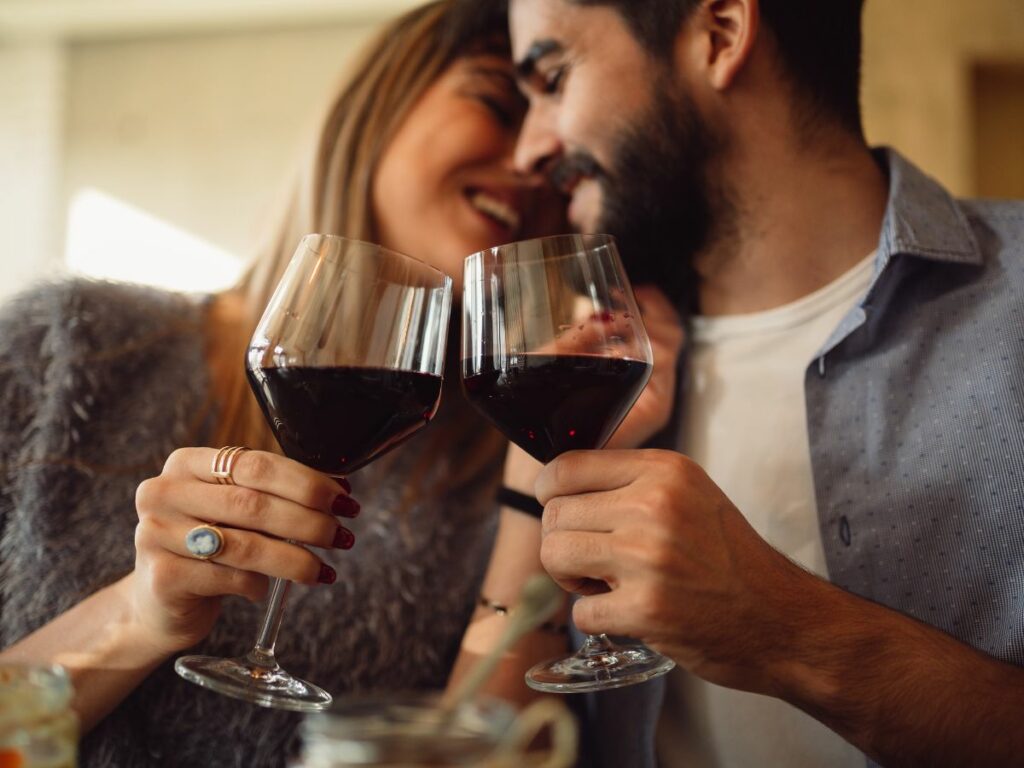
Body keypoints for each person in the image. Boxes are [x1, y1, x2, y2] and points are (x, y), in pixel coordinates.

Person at [0, 2, 642, 765]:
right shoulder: (69, 346)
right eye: (499, 104)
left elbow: (499, 751)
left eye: (562, 158)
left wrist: (528, 502)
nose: (536, 155)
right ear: (381, 102)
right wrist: (140, 615)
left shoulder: (497, 442)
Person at [454, 0, 1024, 766]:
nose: (527, 150)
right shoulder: (595, 380)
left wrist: (784, 629)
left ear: (721, 35)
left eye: (553, 78)